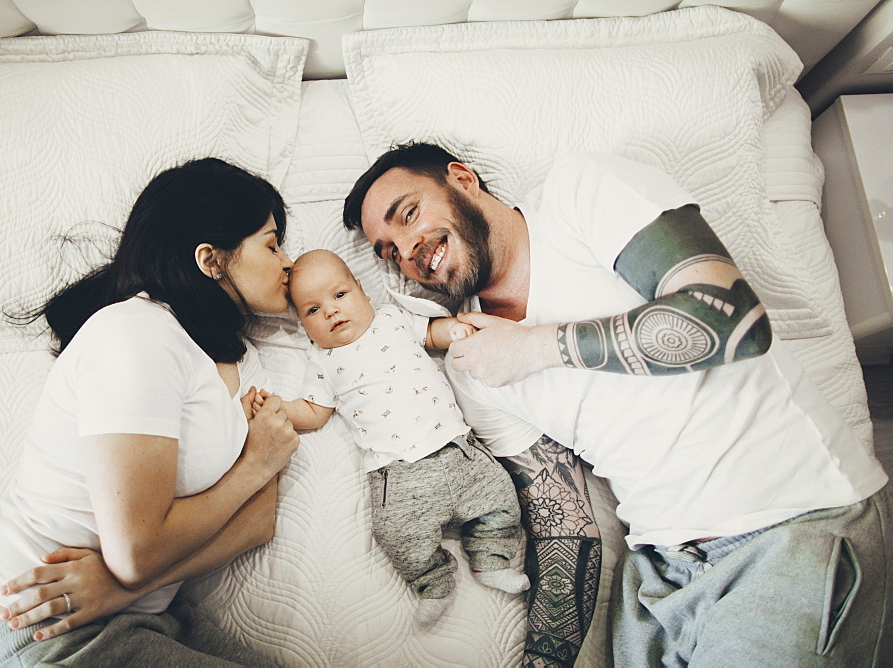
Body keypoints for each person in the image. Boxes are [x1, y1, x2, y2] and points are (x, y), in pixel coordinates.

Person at [343, 142, 892, 666]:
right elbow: (564, 527)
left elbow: (731, 319)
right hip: (656, 575)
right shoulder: (472, 360)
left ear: (462, 179)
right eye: (388, 251)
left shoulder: (578, 193)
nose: (407, 250)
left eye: (408, 214)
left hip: (789, 527)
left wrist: (535, 347)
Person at [0, 157, 301, 666]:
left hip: (129, 617)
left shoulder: (201, 360)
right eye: (271, 244)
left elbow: (256, 522)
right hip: (38, 637)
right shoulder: (135, 333)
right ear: (211, 259)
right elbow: (135, 553)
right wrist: (256, 464)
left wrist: (119, 590)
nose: (287, 261)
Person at [257, 248, 529, 628]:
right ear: (303, 324)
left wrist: (451, 331)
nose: (331, 311)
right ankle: (433, 582)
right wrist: (279, 408)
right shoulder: (322, 360)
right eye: (312, 310)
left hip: (457, 447)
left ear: (363, 292)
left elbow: (431, 335)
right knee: (396, 535)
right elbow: (314, 411)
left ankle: (490, 559)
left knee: (500, 498)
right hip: (397, 475)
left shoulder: (393, 319)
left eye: (339, 295)